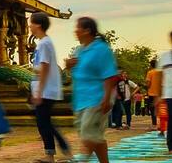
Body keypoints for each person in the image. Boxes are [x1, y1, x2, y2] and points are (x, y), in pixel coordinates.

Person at [67, 17, 118, 163]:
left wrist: (106, 98)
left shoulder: (101, 49)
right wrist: (69, 67)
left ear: (87, 30)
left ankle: (82, 160)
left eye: (78, 28)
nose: (75, 31)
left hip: (97, 98)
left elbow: (110, 76)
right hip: (81, 99)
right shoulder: (79, 51)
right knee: (95, 136)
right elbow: (79, 75)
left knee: (88, 134)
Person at [25, 13, 69, 163]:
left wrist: (39, 91)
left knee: (43, 122)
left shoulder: (44, 43)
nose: (29, 26)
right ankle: (59, 149)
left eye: (31, 23)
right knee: (45, 121)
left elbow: (44, 67)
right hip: (43, 88)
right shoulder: (43, 43)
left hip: (45, 90)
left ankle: (52, 154)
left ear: (38, 25)